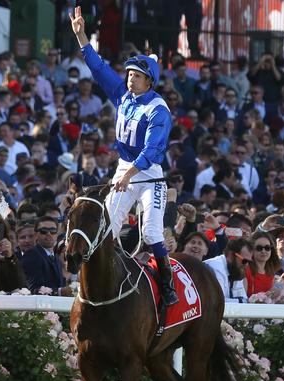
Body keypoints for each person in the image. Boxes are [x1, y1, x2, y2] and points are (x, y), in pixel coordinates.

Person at [70, 6, 178, 305]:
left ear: (150, 82)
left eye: (138, 75)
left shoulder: (158, 109)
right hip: (126, 168)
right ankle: (104, 278)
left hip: (149, 174)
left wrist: (129, 175)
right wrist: (81, 37)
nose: (131, 78)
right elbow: (99, 68)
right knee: (108, 226)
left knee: (153, 231)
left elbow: (152, 149)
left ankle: (167, 284)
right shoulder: (123, 95)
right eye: (130, 72)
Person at [204, 238, 253, 303]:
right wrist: (246, 301)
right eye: (244, 261)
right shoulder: (215, 267)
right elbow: (219, 301)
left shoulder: (236, 270)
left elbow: (242, 297)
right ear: (231, 255)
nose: (246, 265)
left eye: (249, 262)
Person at [246, 231, 281, 297]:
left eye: (267, 248)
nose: (263, 251)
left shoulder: (272, 274)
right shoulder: (245, 271)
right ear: (251, 249)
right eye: (259, 248)